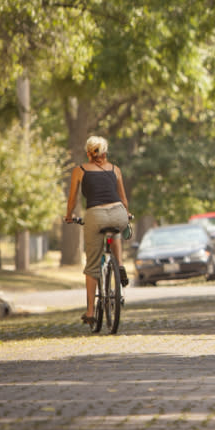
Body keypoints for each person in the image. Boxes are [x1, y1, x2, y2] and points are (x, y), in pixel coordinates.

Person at [64, 135, 131, 327]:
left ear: (88, 153)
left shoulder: (80, 170)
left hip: (95, 215)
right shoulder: (115, 169)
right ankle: (119, 265)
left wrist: (69, 216)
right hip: (119, 214)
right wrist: (127, 214)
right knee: (115, 230)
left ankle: (91, 311)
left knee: (92, 264)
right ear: (105, 152)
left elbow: (72, 200)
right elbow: (123, 199)